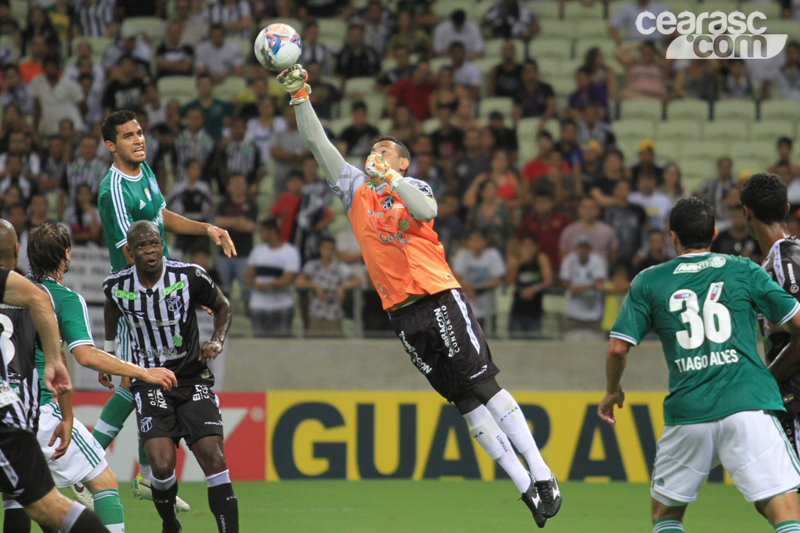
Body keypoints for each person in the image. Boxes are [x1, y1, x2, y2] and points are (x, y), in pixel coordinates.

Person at [278, 62, 561, 527]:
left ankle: (544, 473)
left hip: (438, 295)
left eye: (384, 150)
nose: (374, 153)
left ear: (402, 162)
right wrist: (300, 97)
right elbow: (317, 144)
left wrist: (389, 179)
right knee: (463, 402)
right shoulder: (353, 190)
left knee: (483, 384)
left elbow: (427, 209)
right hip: (401, 314)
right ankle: (525, 485)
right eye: (372, 149)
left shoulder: (411, 186)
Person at [599, 196, 800, 533]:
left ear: (672, 235)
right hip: (748, 406)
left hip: (688, 411)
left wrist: (611, 391)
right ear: (714, 231)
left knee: (666, 515)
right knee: (785, 510)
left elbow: (618, 348)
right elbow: (797, 322)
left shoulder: (649, 280)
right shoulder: (742, 269)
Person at [94, 109, 235, 507]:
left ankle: (142, 477)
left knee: (149, 382)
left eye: (140, 133)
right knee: (135, 381)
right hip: (137, 302)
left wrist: (206, 227)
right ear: (110, 145)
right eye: (127, 136)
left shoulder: (146, 171)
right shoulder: (114, 190)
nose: (138, 140)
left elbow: (159, 218)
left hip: (162, 295)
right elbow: (129, 253)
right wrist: (163, 298)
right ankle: (83, 461)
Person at [11, 222, 178, 533]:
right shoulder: (62, 299)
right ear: (67, 254)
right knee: (104, 480)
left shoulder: (12, 291)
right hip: (39, 410)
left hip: (7, 407)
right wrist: (143, 371)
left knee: (25, 496)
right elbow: (85, 356)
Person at [103, 221, 237, 533]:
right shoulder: (117, 285)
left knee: (214, 458)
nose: (150, 251)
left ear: (162, 244)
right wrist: (109, 353)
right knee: (161, 468)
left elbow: (223, 306)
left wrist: (216, 340)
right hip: (149, 382)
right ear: (130, 252)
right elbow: (112, 308)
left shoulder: (189, 275)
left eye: (154, 244)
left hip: (191, 379)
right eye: (141, 247)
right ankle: (170, 525)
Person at [0, 220, 109, 533]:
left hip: (18, 414)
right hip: (18, 413)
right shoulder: (33, 294)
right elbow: (83, 354)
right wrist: (53, 361)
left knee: (19, 498)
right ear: (17, 251)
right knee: (53, 502)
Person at [741, 173, 800, 463]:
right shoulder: (788, 256)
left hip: (795, 397)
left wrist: (766, 381)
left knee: (780, 497)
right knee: (772, 500)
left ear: (746, 212)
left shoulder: (783, 260)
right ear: (786, 209)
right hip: (787, 398)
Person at [245, 218, 301, 337]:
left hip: (282, 306)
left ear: (272, 231)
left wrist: (265, 285)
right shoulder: (257, 251)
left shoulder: (290, 252)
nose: (260, 235)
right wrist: (253, 284)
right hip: (259, 306)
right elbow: (248, 276)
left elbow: (287, 279)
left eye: (262, 231)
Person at [294, 236, 361, 336]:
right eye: (325, 248)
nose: (327, 251)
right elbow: (298, 281)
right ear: (320, 249)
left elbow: (356, 282)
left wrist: (342, 287)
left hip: (334, 314)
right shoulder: (312, 265)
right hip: (316, 313)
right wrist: (314, 286)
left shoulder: (340, 267)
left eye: (330, 248)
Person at [560, 236, 607, 340]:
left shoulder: (597, 261)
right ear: (576, 249)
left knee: (594, 348)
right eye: (580, 247)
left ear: (590, 249)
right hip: (574, 314)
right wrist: (589, 285)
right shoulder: (569, 260)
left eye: (585, 248)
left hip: (594, 314)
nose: (583, 250)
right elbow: (565, 283)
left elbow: (599, 283)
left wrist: (578, 288)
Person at [506, 233, 552, 338]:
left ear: (536, 247)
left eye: (530, 246)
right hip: (517, 311)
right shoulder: (516, 261)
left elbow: (548, 281)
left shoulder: (541, 259)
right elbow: (507, 282)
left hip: (535, 312)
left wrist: (534, 289)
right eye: (524, 246)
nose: (527, 249)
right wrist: (519, 263)